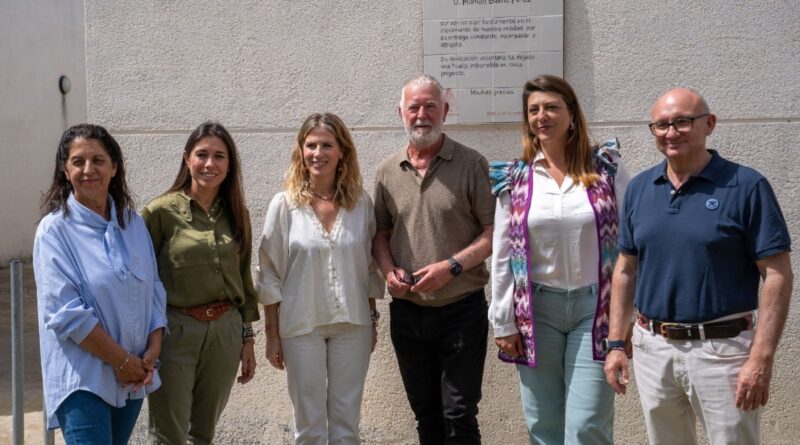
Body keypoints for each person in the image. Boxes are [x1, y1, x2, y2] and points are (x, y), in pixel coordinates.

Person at [604, 88, 793, 444]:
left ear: (709, 124)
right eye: (661, 125)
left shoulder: (746, 186)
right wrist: (616, 342)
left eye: (682, 122)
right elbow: (626, 269)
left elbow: (777, 275)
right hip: (653, 348)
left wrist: (761, 357)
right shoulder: (641, 188)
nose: (670, 132)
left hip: (723, 352)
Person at [488, 75, 629, 444]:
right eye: (533, 110)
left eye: (551, 107)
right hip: (537, 312)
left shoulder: (606, 168)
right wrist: (502, 320)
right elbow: (502, 254)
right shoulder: (515, 177)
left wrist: (628, 316)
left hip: (595, 310)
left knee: (587, 425)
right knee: (543, 425)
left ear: (572, 114)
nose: (542, 116)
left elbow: (630, 246)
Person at [373, 75, 495, 444]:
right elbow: (380, 234)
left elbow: (494, 232)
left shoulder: (471, 163)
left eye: (430, 106)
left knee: (459, 415)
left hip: (461, 310)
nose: (422, 114)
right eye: (414, 107)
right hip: (408, 312)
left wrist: (452, 267)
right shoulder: (386, 171)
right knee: (426, 418)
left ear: (445, 110)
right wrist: (388, 271)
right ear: (400, 113)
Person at [33, 123, 167, 444]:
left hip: (133, 376)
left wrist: (152, 350)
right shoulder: (54, 232)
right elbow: (66, 314)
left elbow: (154, 290)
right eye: (78, 161)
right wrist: (122, 361)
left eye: (98, 160)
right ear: (65, 170)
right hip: (84, 380)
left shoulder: (133, 224)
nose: (88, 169)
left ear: (114, 167)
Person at [258, 112, 383, 444]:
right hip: (301, 325)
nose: (318, 153)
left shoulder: (360, 204)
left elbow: (369, 266)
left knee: (346, 425)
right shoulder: (284, 205)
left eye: (327, 145)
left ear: (342, 151)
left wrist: (372, 319)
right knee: (309, 426)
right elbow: (269, 271)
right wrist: (272, 334)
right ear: (300, 151)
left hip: (353, 324)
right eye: (311, 145)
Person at [142, 121, 260, 444]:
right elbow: (141, 281)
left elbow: (244, 278)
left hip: (225, 332)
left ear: (229, 165)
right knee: (169, 434)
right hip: (176, 332)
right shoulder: (159, 212)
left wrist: (247, 338)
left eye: (219, 156)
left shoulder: (238, 214)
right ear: (187, 159)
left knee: (204, 434)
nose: (210, 163)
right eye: (202, 154)